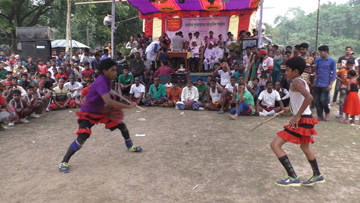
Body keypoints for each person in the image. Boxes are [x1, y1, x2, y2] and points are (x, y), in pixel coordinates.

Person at [58, 58, 142, 173]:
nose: (115, 73)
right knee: (82, 137)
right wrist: (128, 106)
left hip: (101, 110)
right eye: (112, 70)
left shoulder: (107, 80)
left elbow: (105, 98)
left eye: (115, 70)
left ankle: (130, 146)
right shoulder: (102, 81)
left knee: (121, 125)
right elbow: (108, 101)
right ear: (105, 70)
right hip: (88, 111)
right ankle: (64, 161)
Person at [270, 56, 324, 187]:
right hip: (307, 118)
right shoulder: (300, 81)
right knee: (305, 147)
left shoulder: (296, 82)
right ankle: (317, 175)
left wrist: (297, 116)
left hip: (302, 120)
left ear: (295, 71)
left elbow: (309, 97)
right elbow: (301, 100)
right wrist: (291, 110)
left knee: (275, 145)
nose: (285, 72)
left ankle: (292, 176)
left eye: (287, 70)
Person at [313, 45, 336, 121]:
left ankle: (327, 112)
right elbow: (316, 69)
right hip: (317, 83)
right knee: (317, 100)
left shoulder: (332, 61)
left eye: (321, 52)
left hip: (325, 83)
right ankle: (320, 116)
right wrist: (315, 73)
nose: (320, 53)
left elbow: (334, 74)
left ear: (326, 52)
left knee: (323, 100)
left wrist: (330, 84)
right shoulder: (318, 60)